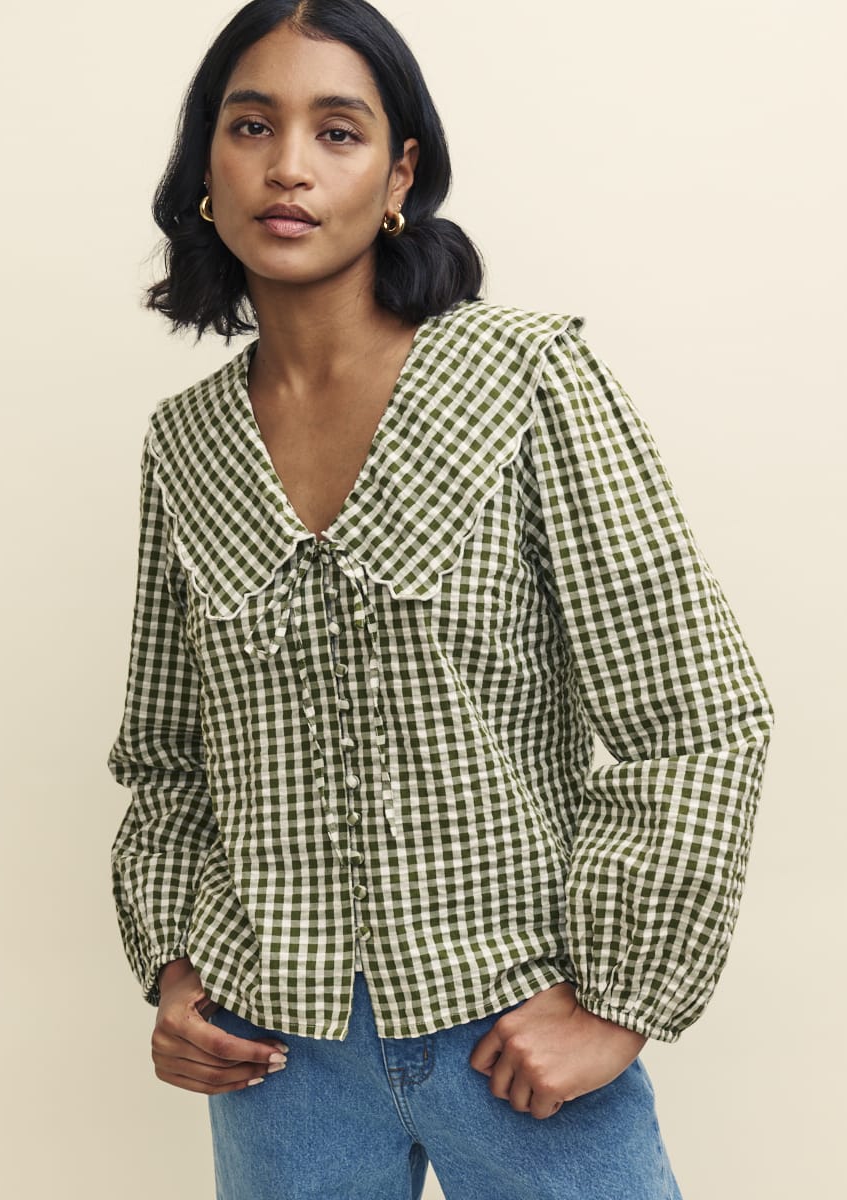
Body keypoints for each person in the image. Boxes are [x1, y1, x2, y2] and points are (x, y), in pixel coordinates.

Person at [106, 2, 775, 1197]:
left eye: (338, 131)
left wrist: (615, 1005)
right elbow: (166, 760)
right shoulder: (185, 444)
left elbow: (697, 712)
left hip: (512, 1037)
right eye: (251, 126)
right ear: (205, 166)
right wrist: (174, 967)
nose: (289, 166)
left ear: (399, 174)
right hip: (273, 1057)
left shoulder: (524, 377)